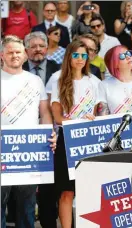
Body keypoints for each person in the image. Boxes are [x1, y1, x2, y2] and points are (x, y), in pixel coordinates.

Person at [1, 35, 56, 228]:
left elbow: (45, 113)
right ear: (2, 55)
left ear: (25, 55)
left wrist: (51, 134)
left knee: (27, 207)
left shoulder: (35, 81)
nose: (14, 55)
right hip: (2, 152)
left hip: (30, 152)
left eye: (18, 52)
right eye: (10, 52)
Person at [51, 40, 100, 228]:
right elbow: (57, 118)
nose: (80, 59)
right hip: (67, 140)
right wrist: (77, 122)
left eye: (84, 55)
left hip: (89, 140)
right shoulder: (59, 81)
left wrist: (91, 118)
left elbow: (95, 114)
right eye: (76, 55)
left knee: (88, 190)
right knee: (66, 192)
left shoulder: (94, 82)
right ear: (69, 57)